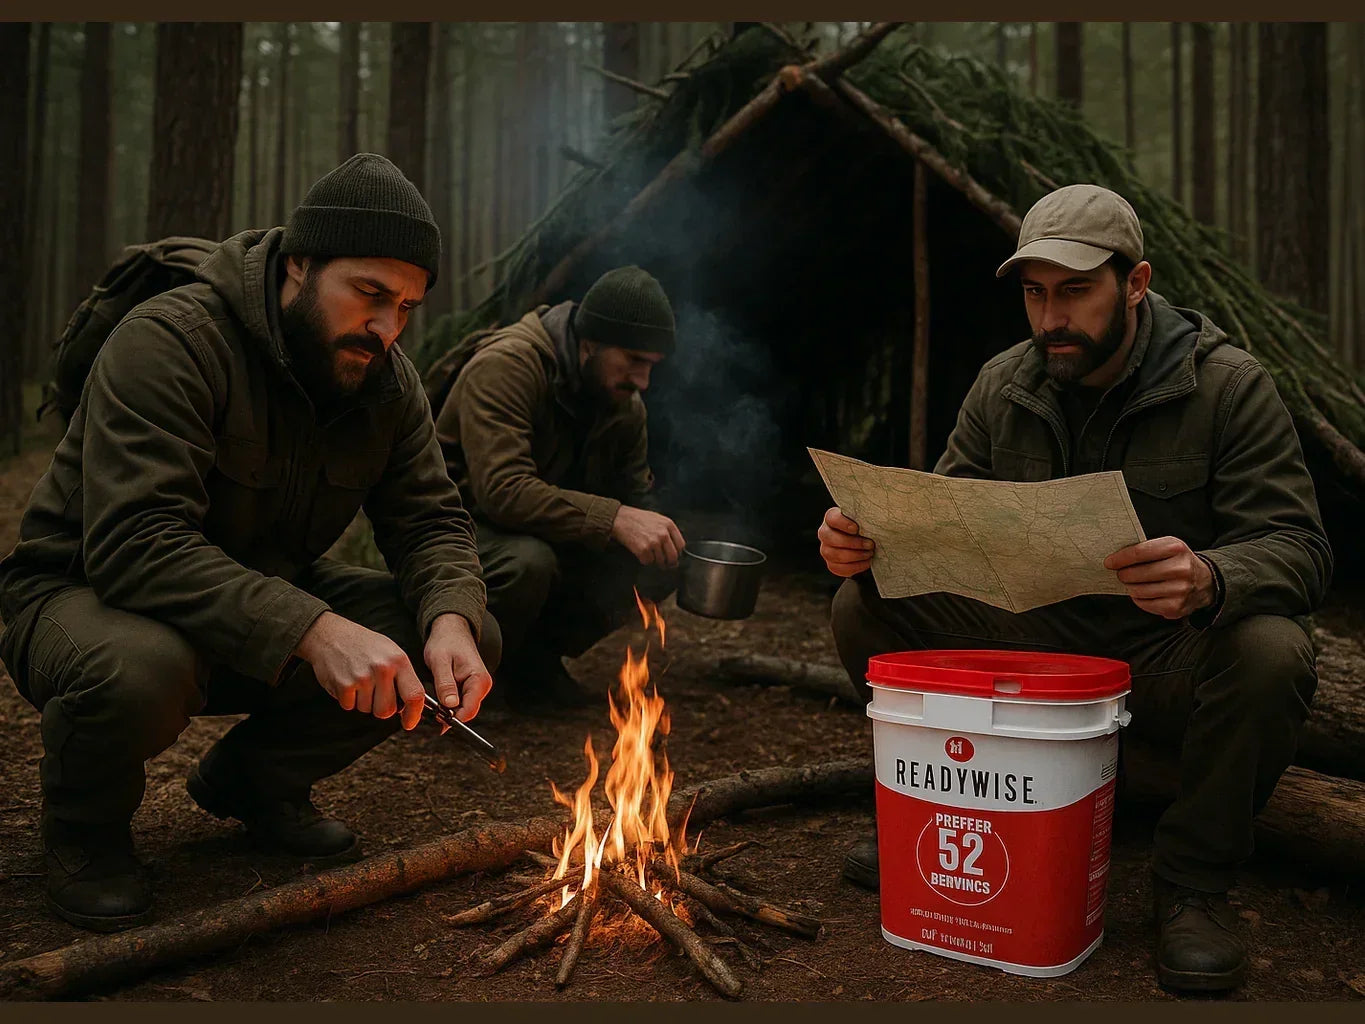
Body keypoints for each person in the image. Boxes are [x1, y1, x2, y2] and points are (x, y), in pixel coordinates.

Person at [818, 184, 1331, 993]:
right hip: (1026, 642)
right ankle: (941, 810)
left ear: (1134, 283)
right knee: (863, 602)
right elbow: (940, 524)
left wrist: (1210, 576)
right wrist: (866, 544)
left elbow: (1300, 547)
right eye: (1034, 293)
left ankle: (1191, 884)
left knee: (1272, 648)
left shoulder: (1226, 387)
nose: (1050, 317)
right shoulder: (1003, 385)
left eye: (1075, 290)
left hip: (1159, 653)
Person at [0, 153, 501, 933]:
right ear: (299, 263)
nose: (386, 327)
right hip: (84, 595)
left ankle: (252, 782)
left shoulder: (386, 380)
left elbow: (431, 522)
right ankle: (85, 834)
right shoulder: (170, 339)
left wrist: (452, 622)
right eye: (369, 294)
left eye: (406, 306)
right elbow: (134, 541)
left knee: (446, 628)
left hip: (256, 603)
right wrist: (314, 629)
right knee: (141, 669)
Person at [432, 267, 684, 710]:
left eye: (651, 367)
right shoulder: (508, 366)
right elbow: (502, 491)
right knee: (528, 562)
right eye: (632, 360)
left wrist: (672, 548)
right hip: (454, 536)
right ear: (590, 343)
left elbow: (634, 494)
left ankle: (535, 660)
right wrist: (616, 518)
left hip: (542, 530)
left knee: (654, 561)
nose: (642, 382)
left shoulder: (624, 404)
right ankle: (472, 666)